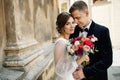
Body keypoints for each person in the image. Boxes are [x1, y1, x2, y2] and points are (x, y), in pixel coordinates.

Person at [69, 1, 113, 80]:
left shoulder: (102, 31)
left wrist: (85, 72)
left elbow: (107, 60)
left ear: (86, 13)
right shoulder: (73, 31)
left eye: (78, 18)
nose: (75, 21)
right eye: (73, 18)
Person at [54, 12, 89, 80]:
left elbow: (67, 62)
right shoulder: (61, 43)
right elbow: (59, 70)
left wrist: (80, 63)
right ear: (62, 26)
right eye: (67, 24)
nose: (72, 26)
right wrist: (80, 59)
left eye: (73, 22)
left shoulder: (67, 41)